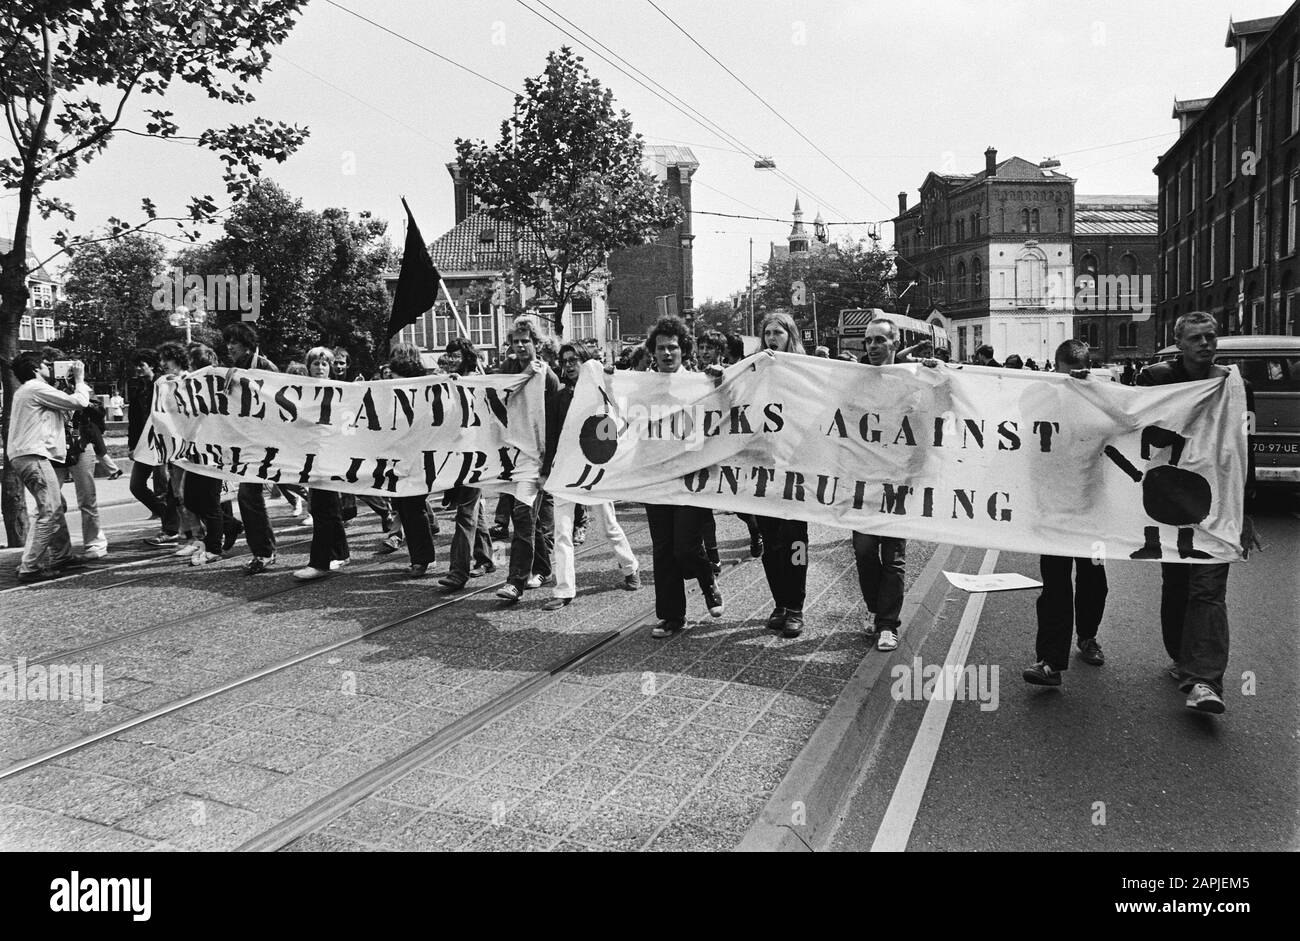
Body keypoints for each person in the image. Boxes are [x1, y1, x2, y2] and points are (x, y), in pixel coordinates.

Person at [1135, 311, 1261, 715]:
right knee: (1175, 585)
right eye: (1196, 338)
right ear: (1180, 344)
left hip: (1218, 503)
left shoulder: (1239, 387)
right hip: (1171, 498)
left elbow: (1246, 448)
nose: (1205, 344)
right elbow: (1132, 425)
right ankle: (1181, 657)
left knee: (1206, 590)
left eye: (1210, 336)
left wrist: (1247, 510)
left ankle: (1204, 680)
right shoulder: (1156, 380)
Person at [1023, 339, 1109, 687]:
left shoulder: (1099, 398)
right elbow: (1023, 413)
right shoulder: (1042, 395)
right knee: (1055, 584)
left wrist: (1094, 391)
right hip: (1054, 508)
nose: (1073, 378)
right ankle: (1050, 661)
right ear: (1055, 368)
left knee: (1095, 580)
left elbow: (1127, 421)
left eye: (1079, 372)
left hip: (1094, 509)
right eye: (1066, 373)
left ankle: (1087, 637)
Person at [541, 342, 641, 610]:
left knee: (608, 524)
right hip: (565, 471)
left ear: (585, 362)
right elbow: (553, 435)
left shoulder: (600, 392)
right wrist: (547, 467)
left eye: (574, 359)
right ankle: (564, 590)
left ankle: (630, 566)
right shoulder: (560, 397)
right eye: (565, 361)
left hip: (594, 469)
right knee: (562, 531)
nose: (569, 365)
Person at [643, 315, 725, 637]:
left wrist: (720, 383)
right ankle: (672, 616)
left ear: (683, 350)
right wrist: (605, 380)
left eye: (673, 348)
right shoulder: (641, 386)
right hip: (658, 478)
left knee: (685, 548)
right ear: (653, 351)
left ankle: (708, 580)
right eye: (661, 348)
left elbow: (727, 413)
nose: (666, 353)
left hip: (693, 477)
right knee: (663, 550)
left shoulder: (700, 382)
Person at [8, 352, 92, 582]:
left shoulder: (30, 390)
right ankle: (30, 566)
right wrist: (80, 380)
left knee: (57, 504)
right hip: (33, 456)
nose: (51, 368)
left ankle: (62, 555)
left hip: (27, 456)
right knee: (49, 510)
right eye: (47, 365)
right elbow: (79, 402)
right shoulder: (35, 388)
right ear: (36, 368)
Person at [851, 318, 909, 651]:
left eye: (879, 340)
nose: (872, 346)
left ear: (894, 344)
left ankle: (888, 624)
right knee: (863, 551)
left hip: (899, 481)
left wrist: (936, 375)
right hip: (864, 480)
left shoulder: (912, 380)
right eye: (868, 341)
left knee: (894, 556)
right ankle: (876, 610)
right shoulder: (855, 380)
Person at [494, 318, 559, 603]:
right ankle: (543, 567)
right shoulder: (507, 370)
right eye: (515, 342)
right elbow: (493, 397)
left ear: (536, 343)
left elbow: (555, 423)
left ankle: (515, 583)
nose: (520, 346)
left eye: (525, 341)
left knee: (522, 516)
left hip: (537, 458)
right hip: (513, 457)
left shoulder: (548, 377)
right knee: (527, 518)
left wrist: (549, 467)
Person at [437, 338, 498, 593]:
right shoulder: (448, 380)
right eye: (449, 355)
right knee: (474, 510)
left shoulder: (476, 380)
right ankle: (484, 558)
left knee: (466, 513)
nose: (452, 359)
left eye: (456, 355)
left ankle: (458, 571)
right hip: (457, 454)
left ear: (467, 356)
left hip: (475, 456)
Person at [222, 323, 279, 574]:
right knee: (248, 495)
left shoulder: (266, 368)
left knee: (303, 489)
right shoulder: (231, 372)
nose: (229, 346)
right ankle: (264, 552)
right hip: (247, 444)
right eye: (228, 342)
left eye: (234, 341)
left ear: (247, 343)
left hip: (269, 443)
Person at [295, 347, 351, 581]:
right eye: (316, 363)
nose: (320, 367)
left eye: (324, 364)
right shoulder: (303, 392)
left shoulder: (340, 391)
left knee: (322, 506)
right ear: (308, 367)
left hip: (329, 454)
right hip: (312, 454)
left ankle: (319, 562)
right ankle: (340, 553)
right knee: (325, 506)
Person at [385, 343, 440, 577]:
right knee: (406, 508)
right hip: (400, 455)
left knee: (413, 507)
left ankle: (423, 559)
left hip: (416, 456)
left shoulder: (422, 389)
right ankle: (420, 557)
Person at [128, 348, 178, 541]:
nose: (138, 369)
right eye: (137, 365)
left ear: (152, 366)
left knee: (164, 487)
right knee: (136, 486)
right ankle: (169, 518)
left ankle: (170, 529)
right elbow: (134, 420)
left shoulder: (164, 384)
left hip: (163, 443)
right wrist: (132, 446)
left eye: (142, 365)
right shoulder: (137, 387)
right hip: (144, 445)